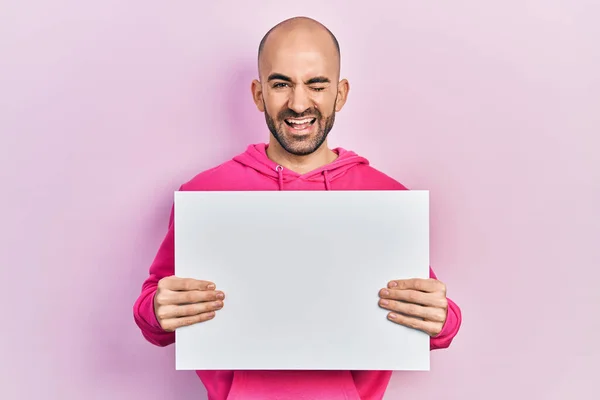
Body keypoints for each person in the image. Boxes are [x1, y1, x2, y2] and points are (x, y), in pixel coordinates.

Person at [133, 16, 462, 400]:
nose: (298, 103)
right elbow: (152, 308)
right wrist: (156, 310)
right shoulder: (205, 193)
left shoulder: (386, 198)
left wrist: (443, 320)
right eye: (280, 84)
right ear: (259, 94)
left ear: (340, 94)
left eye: (316, 84)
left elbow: (433, 314)